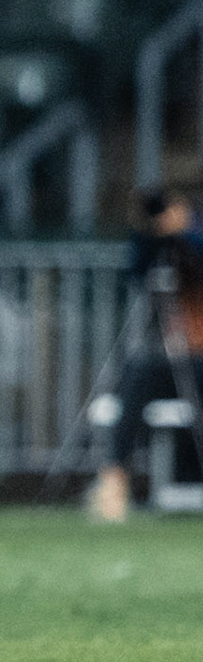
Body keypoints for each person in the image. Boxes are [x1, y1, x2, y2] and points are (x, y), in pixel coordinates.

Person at [89, 190, 203, 523]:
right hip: (184, 356)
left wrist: (185, 230)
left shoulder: (193, 238)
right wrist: (145, 231)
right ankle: (114, 478)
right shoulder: (170, 250)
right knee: (137, 372)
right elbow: (138, 270)